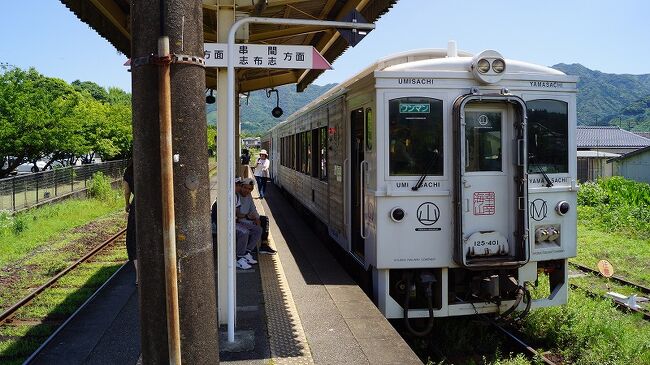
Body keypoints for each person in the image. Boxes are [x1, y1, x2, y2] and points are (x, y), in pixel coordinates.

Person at [238, 178, 277, 255]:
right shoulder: (237, 196)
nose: (247, 190)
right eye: (245, 187)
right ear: (241, 186)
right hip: (241, 220)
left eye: (249, 189)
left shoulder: (248, 195)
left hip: (248, 218)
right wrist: (248, 217)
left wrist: (257, 218)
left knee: (264, 219)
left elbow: (253, 209)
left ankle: (264, 245)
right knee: (256, 228)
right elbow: (238, 214)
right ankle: (247, 250)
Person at [123, 160, 138, 285]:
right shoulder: (151, 164)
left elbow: (127, 190)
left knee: (133, 240)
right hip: (155, 205)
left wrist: (127, 203)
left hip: (136, 206)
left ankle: (139, 275)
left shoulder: (129, 170)